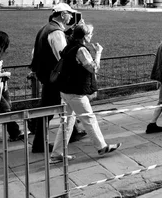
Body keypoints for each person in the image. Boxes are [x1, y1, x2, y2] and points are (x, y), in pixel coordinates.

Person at [50, 24, 121, 163]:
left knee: (67, 122)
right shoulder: (81, 49)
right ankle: (101, 147)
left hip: (65, 90)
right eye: (90, 34)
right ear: (84, 36)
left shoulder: (69, 46)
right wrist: (99, 52)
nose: (92, 36)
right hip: (75, 91)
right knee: (89, 118)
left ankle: (57, 153)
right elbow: (93, 68)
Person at [30, 3, 85, 154]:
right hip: (55, 77)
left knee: (60, 105)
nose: (71, 17)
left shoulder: (47, 28)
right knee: (50, 108)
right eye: (69, 14)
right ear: (62, 14)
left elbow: (35, 52)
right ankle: (39, 143)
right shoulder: (56, 33)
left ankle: (72, 133)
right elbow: (64, 56)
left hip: (47, 75)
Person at [0, 31, 27, 142]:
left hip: (1, 86)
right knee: (5, 108)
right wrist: (4, 74)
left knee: (6, 107)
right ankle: (15, 132)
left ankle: (15, 132)